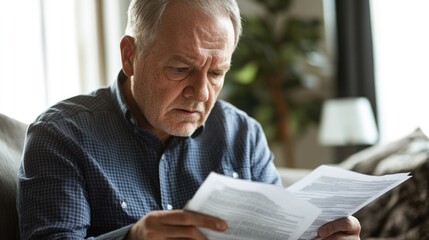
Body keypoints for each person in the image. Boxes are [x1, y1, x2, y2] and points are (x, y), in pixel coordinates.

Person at [17, 0, 361, 239]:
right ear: (130, 55)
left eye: (216, 73)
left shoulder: (243, 136)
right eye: (181, 69)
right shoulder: (61, 136)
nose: (200, 93)